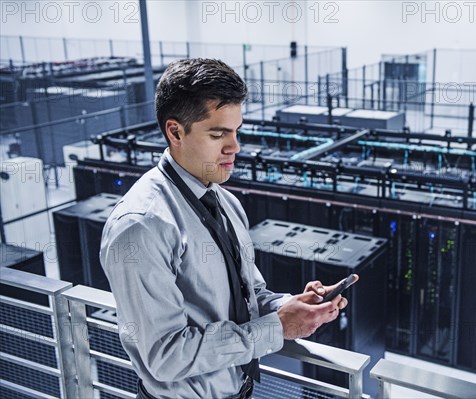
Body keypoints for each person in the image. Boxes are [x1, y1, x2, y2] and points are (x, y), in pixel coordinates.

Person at [100, 58, 352, 399]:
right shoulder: (141, 226)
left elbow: (251, 296)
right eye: (218, 134)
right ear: (175, 131)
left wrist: (291, 305)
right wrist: (277, 327)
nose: (235, 147)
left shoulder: (225, 202)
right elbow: (165, 356)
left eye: (236, 131)